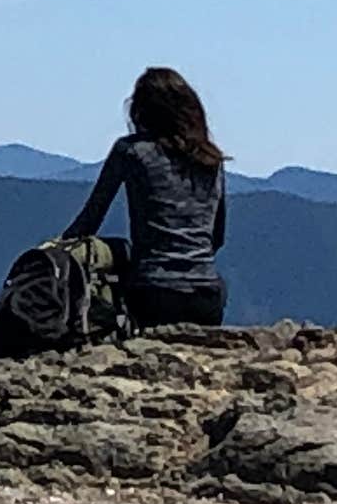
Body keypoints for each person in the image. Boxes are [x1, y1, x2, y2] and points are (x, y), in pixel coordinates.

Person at [65, 67, 229, 329]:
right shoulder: (211, 159)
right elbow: (216, 237)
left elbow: (88, 222)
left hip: (153, 291)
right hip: (206, 295)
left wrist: (52, 254)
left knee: (118, 253)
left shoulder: (131, 151)